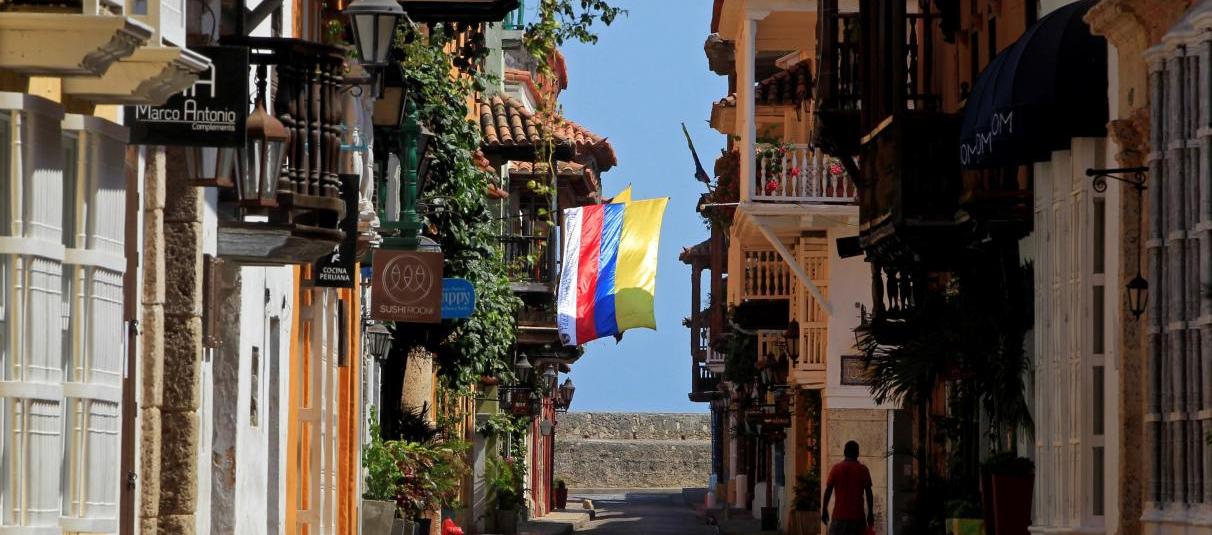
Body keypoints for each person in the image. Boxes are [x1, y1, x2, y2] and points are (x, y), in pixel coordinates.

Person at [821, 440, 875, 535]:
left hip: (839, 517)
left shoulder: (836, 469)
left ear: (844, 452)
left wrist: (824, 509)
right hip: (858, 518)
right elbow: (869, 493)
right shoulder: (863, 470)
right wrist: (870, 513)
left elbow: (828, 490)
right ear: (857, 453)